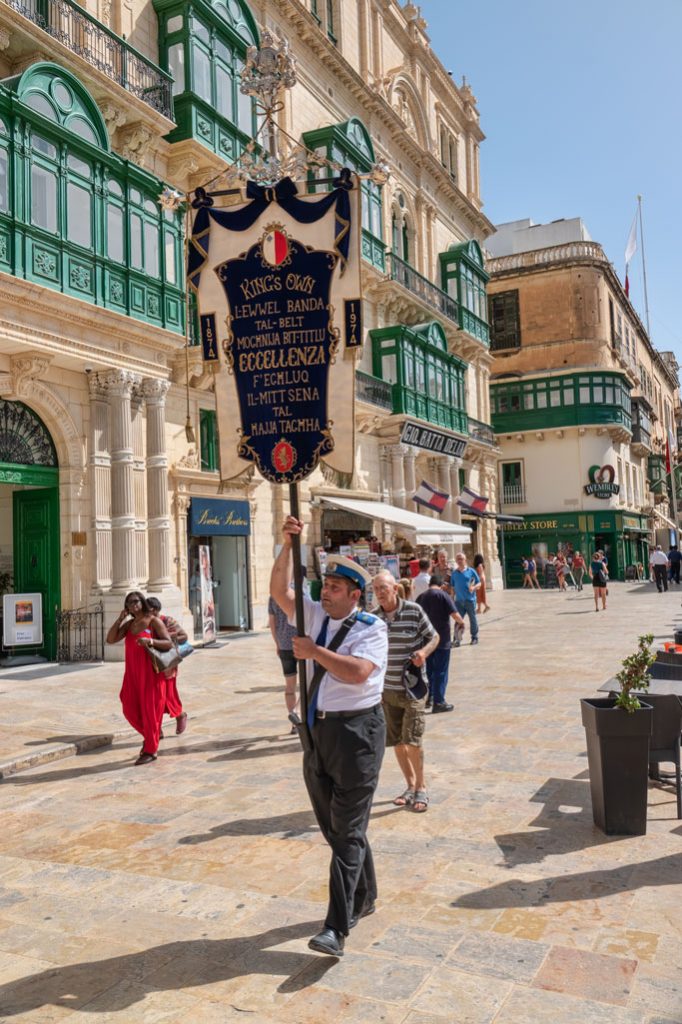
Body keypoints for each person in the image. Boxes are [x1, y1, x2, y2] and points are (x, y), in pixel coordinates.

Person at [270, 517, 388, 958]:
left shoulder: (371, 629)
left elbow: (358, 674)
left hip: (358, 733)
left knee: (347, 831)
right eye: (326, 585)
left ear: (355, 595)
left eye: (336, 587)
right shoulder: (314, 614)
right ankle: (367, 893)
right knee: (338, 829)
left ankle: (336, 928)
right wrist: (288, 546)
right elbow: (280, 591)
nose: (327, 592)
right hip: (317, 731)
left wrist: (314, 652)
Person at [372, 572, 438, 813]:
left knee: (413, 741)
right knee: (398, 742)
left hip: (413, 689)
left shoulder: (413, 611)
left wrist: (424, 653)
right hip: (386, 691)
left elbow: (435, 636)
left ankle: (421, 787)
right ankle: (409, 786)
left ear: (395, 588)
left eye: (383, 588)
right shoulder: (373, 618)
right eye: (376, 588)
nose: (379, 592)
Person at [106, 591, 173, 765]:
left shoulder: (153, 621)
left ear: (142, 602)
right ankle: (152, 736)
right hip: (132, 674)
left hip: (151, 674)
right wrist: (120, 619)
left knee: (150, 712)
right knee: (128, 707)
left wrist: (150, 642)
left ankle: (151, 750)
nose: (133, 605)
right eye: (129, 603)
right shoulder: (129, 625)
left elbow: (168, 643)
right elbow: (111, 639)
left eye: (136, 601)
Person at [416, 575, 465, 713]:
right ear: (441, 584)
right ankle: (439, 701)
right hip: (442, 639)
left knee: (429, 671)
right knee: (441, 671)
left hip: (426, 641)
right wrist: (462, 623)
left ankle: (428, 698)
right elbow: (455, 614)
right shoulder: (443, 595)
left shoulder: (421, 597)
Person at [146, 597, 188, 736]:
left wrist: (165, 636)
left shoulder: (167, 621)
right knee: (154, 698)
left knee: (168, 695)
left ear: (156, 610)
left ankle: (180, 714)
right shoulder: (144, 623)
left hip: (167, 663)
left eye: (149, 609)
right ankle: (157, 728)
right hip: (150, 663)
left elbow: (184, 636)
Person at [268, 592, 299, 731]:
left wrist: (278, 643)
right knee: (307, 685)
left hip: (284, 645)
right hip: (302, 644)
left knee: (290, 686)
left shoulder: (274, 596)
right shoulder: (300, 593)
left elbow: (272, 623)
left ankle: (294, 721)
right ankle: (299, 714)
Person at [450, 553, 480, 645]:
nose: (459, 560)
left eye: (461, 559)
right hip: (459, 601)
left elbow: (479, 583)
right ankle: (457, 639)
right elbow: (452, 587)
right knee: (458, 620)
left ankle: (474, 637)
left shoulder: (471, 571)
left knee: (473, 619)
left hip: (470, 600)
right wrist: (452, 599)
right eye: (458, 559)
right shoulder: (454, 573)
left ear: (465, 560)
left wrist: (473, 588)